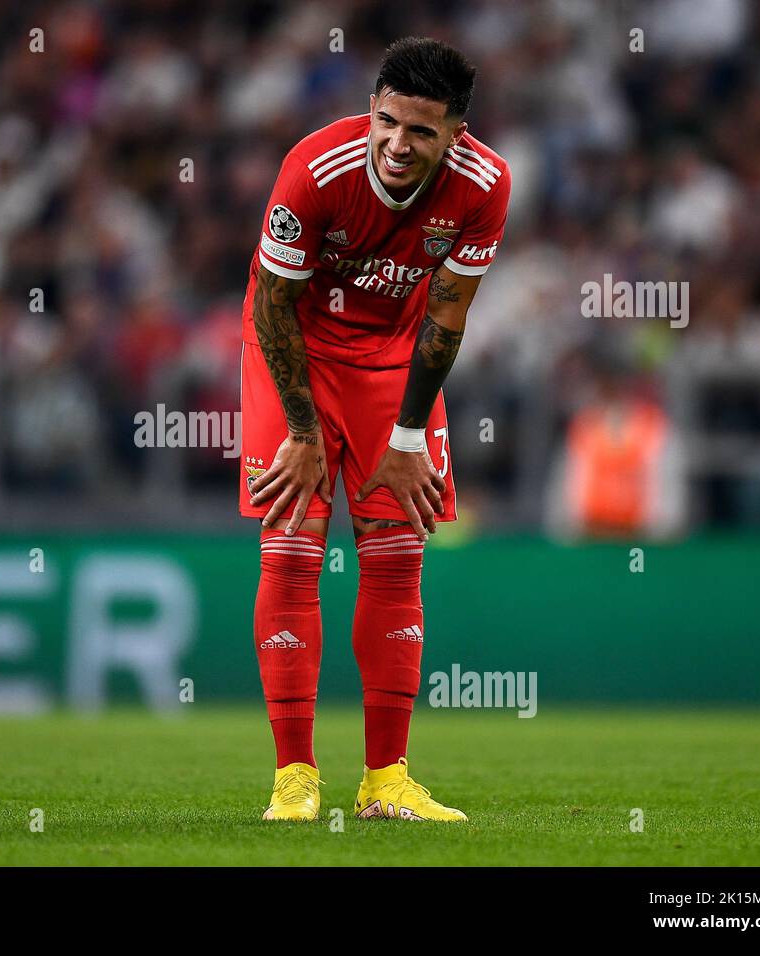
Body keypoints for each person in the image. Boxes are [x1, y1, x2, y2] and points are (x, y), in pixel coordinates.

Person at [241, 37, 511, 821]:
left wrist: (405, 439)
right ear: (372, 110)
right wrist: (301, 432)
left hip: (393, 352)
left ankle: (385, 781)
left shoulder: (484, 185)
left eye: (421, 131)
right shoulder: (312, 170)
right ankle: (294, 778)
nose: (398, 144)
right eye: (388, 122)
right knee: (293, 540)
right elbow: (273, 304)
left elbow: (447, 316)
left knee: (398, 552)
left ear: (455, 135)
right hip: (291, 343)